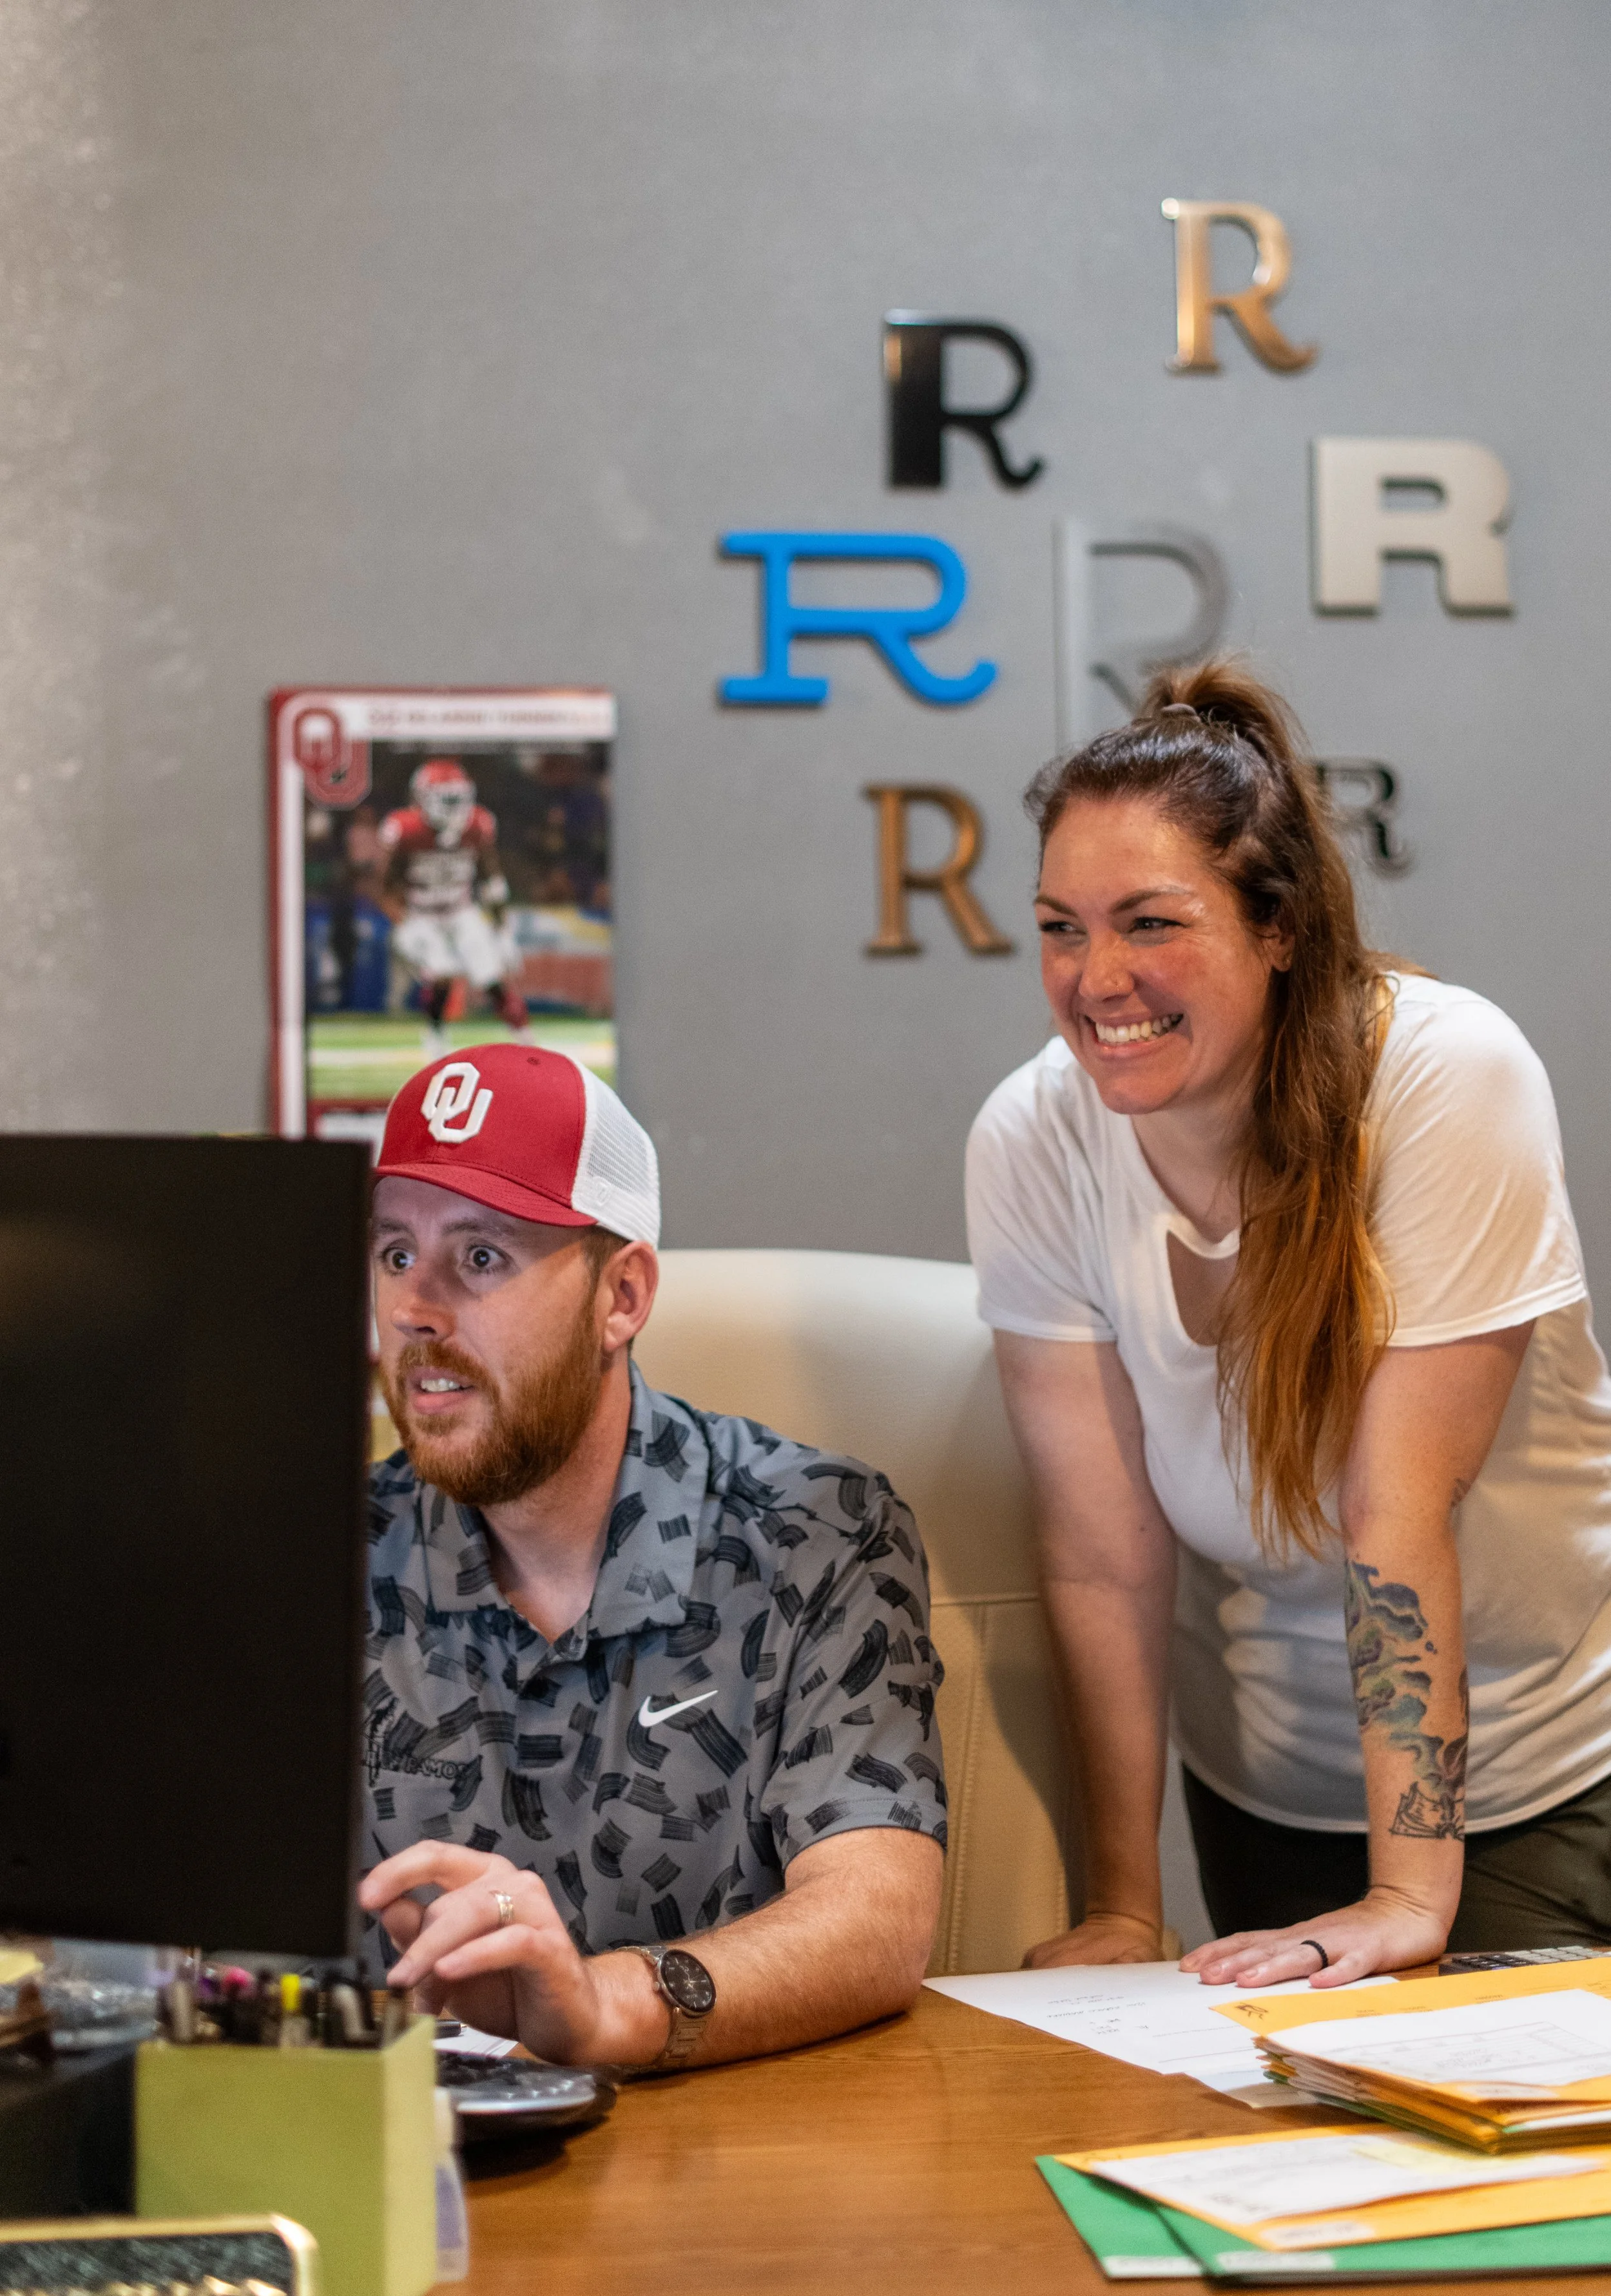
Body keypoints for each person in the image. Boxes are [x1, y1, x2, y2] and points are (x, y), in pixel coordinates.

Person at [965, 661, 1611, 1993]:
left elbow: (1394, 1516)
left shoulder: (1443, 1072)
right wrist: (1121, 1908)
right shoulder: (1031, 1134)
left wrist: (1402, 1896)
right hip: (1257, 1787)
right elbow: (1099, 1551)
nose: (1097, 979)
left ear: (1277, 928)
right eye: (1057, 927)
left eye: (1149, 923)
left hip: (1529, 1784)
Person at [361, 1043, 947, 2069]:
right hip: (392, 2169)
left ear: (622, 1296)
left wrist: (608, 2008)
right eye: (396, 1253)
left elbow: (877, 1917)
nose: (416, 1305)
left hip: (720, 2163)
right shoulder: (326, 1554)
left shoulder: (816, 1529)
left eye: (482, 1256)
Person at [379, 760, 530, 1040]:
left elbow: (491, 879)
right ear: (423, 799)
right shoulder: (405, 830)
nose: (454, 807)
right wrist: (401, 922)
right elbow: (383, 884)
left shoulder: (477, 825)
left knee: (490, 975)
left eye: (459, 798)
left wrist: (503, 930)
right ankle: (435, 1036)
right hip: (421, 913)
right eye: (446, 799)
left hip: (462, 911)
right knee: (441, 972)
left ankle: (524, 1035)